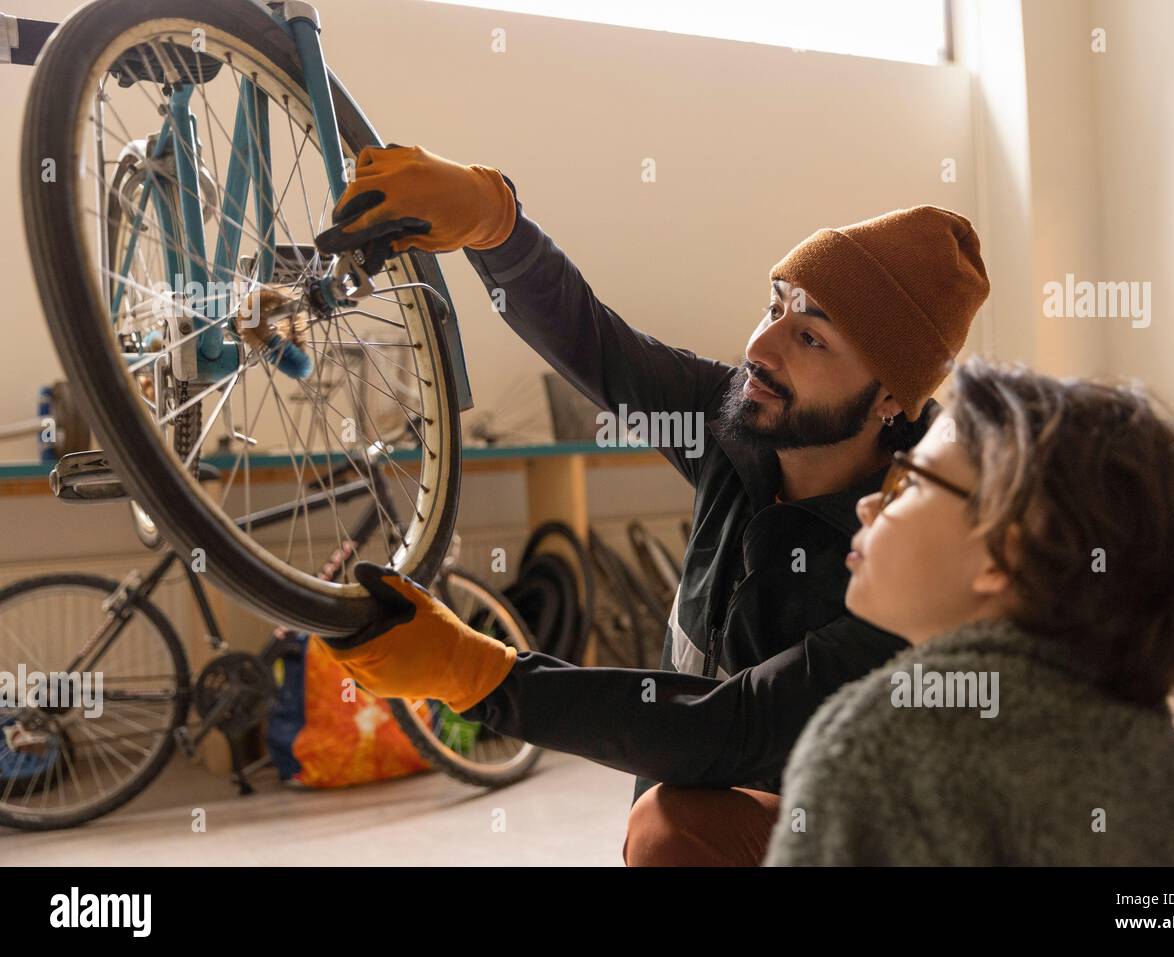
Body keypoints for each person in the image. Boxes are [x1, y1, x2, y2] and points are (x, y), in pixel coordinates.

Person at [311, 145, 990, 865]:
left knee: (676, 826)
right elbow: (600, 346)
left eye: (810, 335)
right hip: (742, 810)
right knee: (667, 821)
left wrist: (480, 674)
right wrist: (495, 224)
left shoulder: (917, 555)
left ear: (889, 396)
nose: (761, 346)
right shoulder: (743, 426)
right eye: (774, 306)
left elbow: (727, 727)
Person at [764, 358, 1174, 865]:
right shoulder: (1158, 763)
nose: (868, 505)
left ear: (1003, 553)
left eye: (906, 482)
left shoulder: (870, 748)